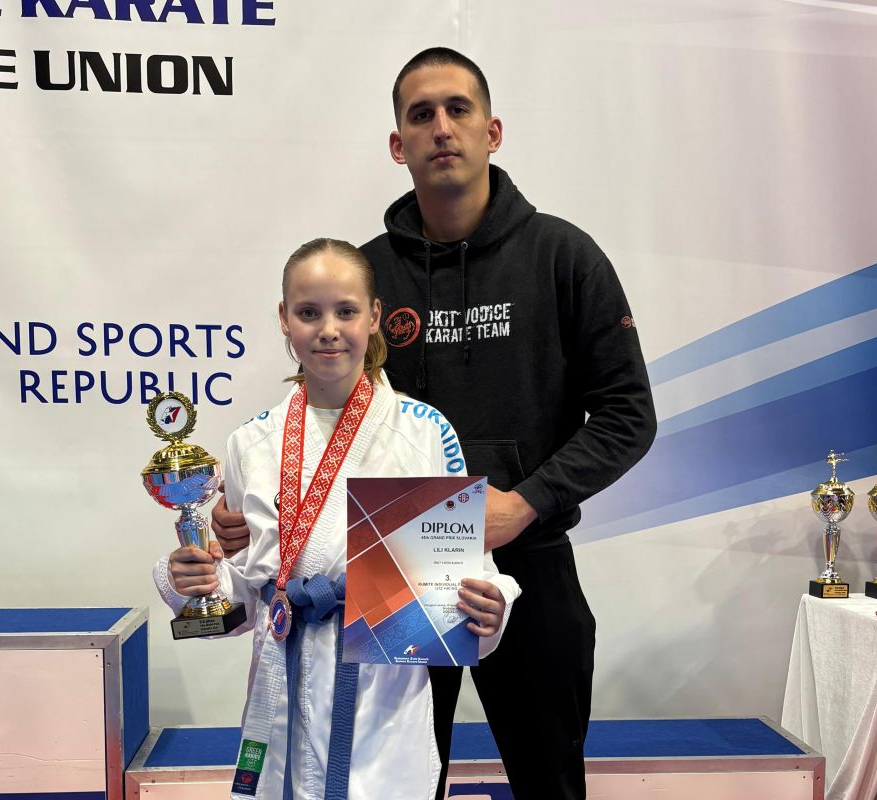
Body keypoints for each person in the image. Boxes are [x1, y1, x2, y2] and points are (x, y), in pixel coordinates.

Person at [214, 49, 656, 800]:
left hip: (529, 561)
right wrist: (264, 517)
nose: (442, 128)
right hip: (389, 575)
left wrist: (527, 503)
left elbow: (628, 415)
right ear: (399, 144)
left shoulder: (563, 256)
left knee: (550, 781)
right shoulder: (367, 273)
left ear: (493, 130)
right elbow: (328, 421)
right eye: (421, 115)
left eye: (458, 109)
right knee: (396, 782)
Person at [154, 238, 520, 800]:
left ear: (374, 316)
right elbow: (252, 591)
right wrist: (201, 583)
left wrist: (489, 607)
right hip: (281, 682)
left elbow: (465, 568)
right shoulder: (251, 442)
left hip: (383, 695)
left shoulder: (426, 432)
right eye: (309, 312)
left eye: (346, 311)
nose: (329, 329)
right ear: (284, 319)